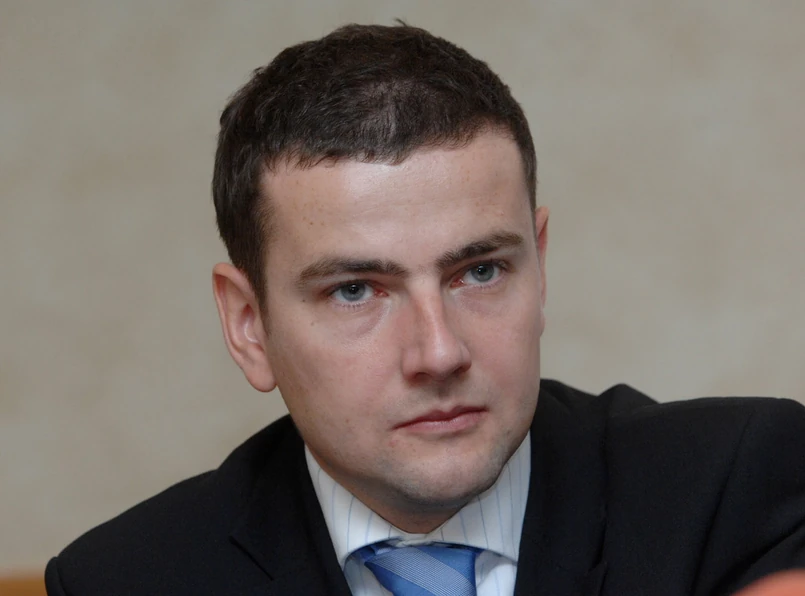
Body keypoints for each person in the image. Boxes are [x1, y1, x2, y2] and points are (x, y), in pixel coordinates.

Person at [45, 23, 805, 596]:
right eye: (354, 290)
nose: (438, 353)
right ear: (249, 326)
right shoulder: (125, 580)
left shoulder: (737, 491)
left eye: (480, 271)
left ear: (539, 267)